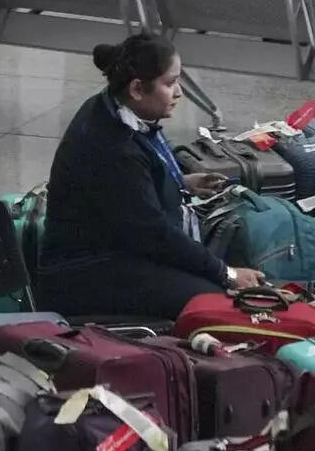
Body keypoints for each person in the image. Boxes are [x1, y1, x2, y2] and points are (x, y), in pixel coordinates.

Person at [35, 33, 263, 320]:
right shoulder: (115, 147)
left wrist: (180, 181)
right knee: (215, 303)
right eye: (169, 83)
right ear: (137, 89)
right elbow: (154, 233)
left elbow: (132, 195)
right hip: (88, 274)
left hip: (114, 251)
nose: (179, 92)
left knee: (228, 260)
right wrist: (226, 274)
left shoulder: (109, 110)